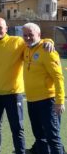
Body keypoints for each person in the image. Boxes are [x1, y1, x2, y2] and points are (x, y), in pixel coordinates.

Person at [0, 17, 53, 154]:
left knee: (17, 128)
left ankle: (20, 152)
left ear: (6, 28)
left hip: (13, 94)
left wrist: (48, 40)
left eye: (0, 27)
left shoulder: (18, 42)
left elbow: (35, 41)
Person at [22, 23, 65, 154]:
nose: (28, 38)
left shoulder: (47, 50)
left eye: (31, 35)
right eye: (25, 35)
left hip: (48, 101)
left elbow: (58, 77)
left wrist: (59, 101)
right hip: (31, 101)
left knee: (52, 137)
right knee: (40, 137)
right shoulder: (25, 49)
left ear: (39, 35)